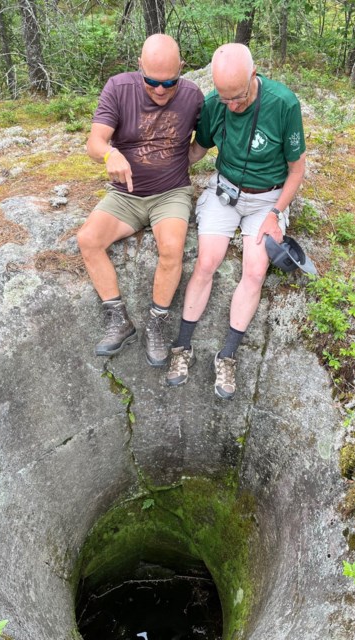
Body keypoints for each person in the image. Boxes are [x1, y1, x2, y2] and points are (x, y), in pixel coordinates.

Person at [167, 43, 306, 399]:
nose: (232, 106)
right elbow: (199, 150)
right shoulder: (216, 104)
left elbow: (297, 168)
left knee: (255, 270)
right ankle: (182, 347)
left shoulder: (283, 103)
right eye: (225, 98)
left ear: (254, 75)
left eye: (239, 98)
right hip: (225, 191)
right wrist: (161, 170)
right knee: (207, 261)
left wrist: (276, 214)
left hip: (267, 199)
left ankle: (227, 355)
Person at [77, 34, 204, 365]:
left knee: (172, 248)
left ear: (181, 70)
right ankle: (119, 321)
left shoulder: (193, 96)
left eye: (169, 83)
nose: (160, 90)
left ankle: (156, 324)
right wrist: (110, 154)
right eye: (151, 81)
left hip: (171, 193)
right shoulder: (118, 88)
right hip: (126, 194)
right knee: (88, 240)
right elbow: (94, 142)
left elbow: (207, 137)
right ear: (139, 67)